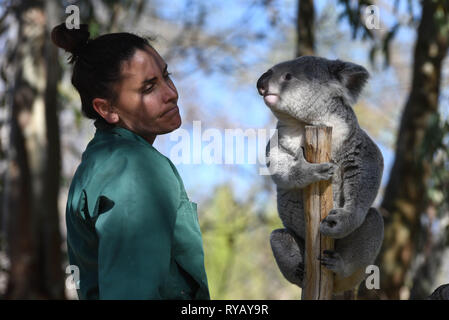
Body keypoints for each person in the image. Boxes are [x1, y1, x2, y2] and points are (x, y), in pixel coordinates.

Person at [51, 23, 209, 300]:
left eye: (165, 76)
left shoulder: (98, 163)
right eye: (149, 88)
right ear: (107, 108)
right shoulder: (133, 168)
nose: (171, 93)